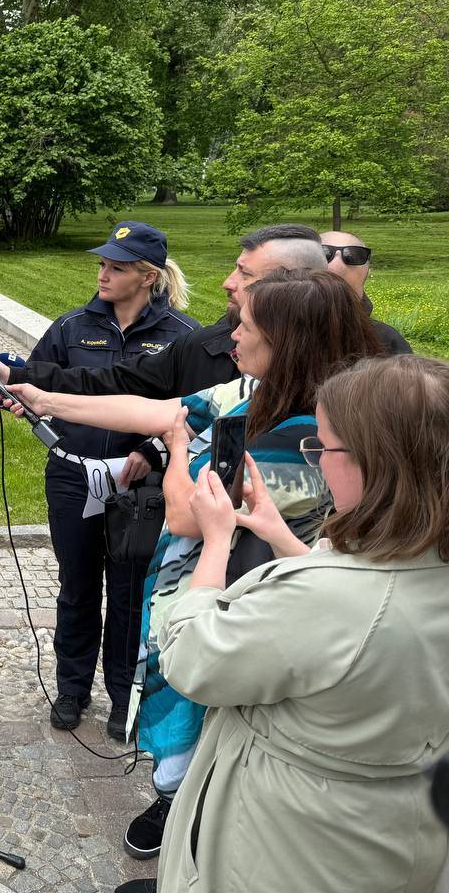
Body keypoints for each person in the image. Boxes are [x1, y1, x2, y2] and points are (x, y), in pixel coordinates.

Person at [3, 270, 387, 868]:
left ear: (285, 344)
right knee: (187, 733)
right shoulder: (256, 390)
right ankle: (178, 807)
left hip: (243, 612)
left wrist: (179, 452)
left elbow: (185, 515)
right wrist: (44, 398)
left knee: (211, 736)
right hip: (199, 592)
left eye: (246, 326)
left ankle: (197, 838)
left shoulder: (304, 438)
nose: (231, 334)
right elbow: (159, 411)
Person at [144, 354, 449, 892]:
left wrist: (215, 541)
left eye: (323, 448)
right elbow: (359, 623)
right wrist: (282, 537)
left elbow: (192, 658)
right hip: (395, 828)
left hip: (290, 842)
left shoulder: (327, 600)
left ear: (374, 463)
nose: (319, 461)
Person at [28, 221, 199, 738]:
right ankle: (71, 688)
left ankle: (125, 695)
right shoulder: (71, 327)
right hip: (73, 476)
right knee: (77, 585)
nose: (102, 274)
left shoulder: (182, 337)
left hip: (142, 487)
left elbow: (193, 412)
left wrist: (151, 449)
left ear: (148, 277)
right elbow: (37, 380)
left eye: (116, 268)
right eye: (102, 264)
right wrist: (23, 399)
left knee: (128, 592)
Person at [0, 225, 409, 414]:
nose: (228, 282)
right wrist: (25, 380)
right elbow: (129, 388)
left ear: (292, 284)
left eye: (245, 274)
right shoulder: (208, 346)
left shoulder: (378, 356)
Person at [321, 229, 411, 353]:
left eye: (353, 256)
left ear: (367, 273)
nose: (337, 265)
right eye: (323, 252)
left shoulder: (387, 342)